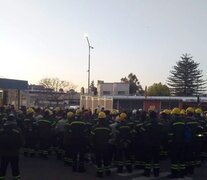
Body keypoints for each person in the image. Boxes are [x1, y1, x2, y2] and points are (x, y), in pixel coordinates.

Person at [0, 114, 23, 180]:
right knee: (15, 167)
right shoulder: (17, 129)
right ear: (14, 120)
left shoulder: (2, 129)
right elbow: (21, 142)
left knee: (3, 166)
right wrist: (17, 147)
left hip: (4, 152)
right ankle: (16, 178)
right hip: (14, 152)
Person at [91, 112, 112, 177]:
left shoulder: (94, 127)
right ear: (105, 119)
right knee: (106, 159)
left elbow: (92, 138)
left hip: (97, 146)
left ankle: (100, 173)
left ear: (98, 119)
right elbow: (110, 137)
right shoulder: (108, 127)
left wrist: (92, 145)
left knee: (98, 159)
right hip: (105, 146)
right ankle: (107, 171)